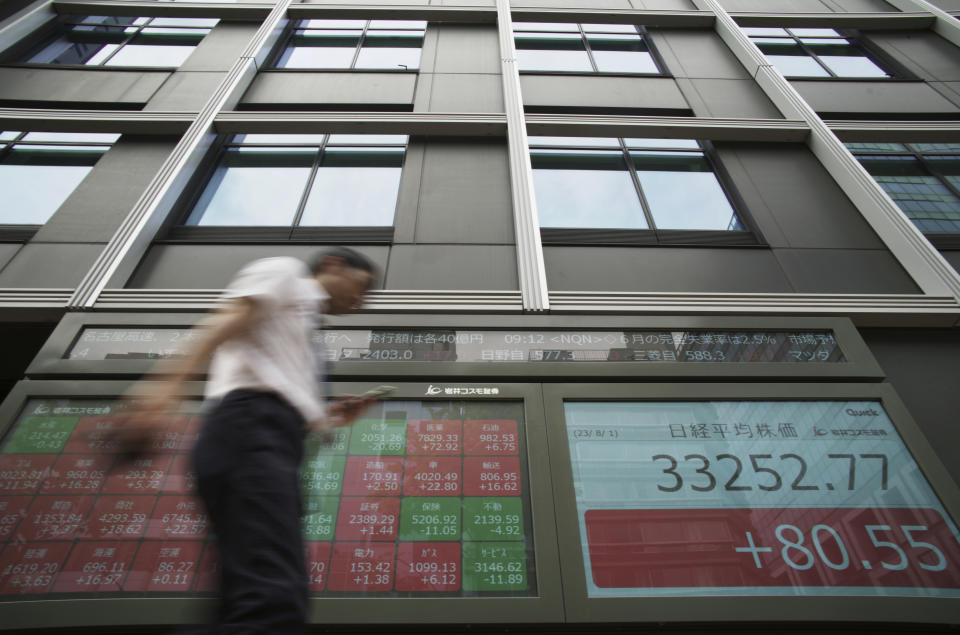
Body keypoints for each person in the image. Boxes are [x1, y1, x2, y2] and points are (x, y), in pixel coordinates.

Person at [122, 247, 377, 634]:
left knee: (248, 600)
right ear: (334, 264)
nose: (361, 300)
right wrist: (165, 386)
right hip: (251, 431)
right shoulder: (286, 271)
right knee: (271, 604)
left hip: (266, 437)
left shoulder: (304, 328)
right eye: (363, 286)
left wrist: (325, 416)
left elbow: (275, 382)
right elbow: (230, 316)